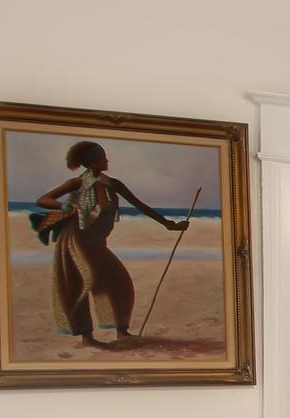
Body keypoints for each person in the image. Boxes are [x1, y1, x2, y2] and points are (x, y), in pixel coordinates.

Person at [33, 141, 188, 346]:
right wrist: (66, 206)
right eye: (103, 157)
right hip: (75, 240)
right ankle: (87, 337)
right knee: (80, 286)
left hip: (97, 243)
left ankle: (121, 332)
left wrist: (169, 224)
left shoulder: (114, 184)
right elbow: (43, 200)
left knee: (119, 282)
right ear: (91, 162)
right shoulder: (76, 183)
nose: (107, 160)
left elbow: (141, 205)